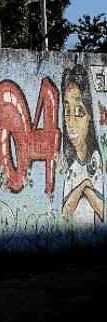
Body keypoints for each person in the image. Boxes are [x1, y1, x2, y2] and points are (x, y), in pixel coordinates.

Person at [61, 65, 105, 228]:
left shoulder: (95, 161)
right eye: (67, 111)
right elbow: (65, 213)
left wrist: (84, 189)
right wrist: (84, 185)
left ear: (89, 118)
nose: (70, 122)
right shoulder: (71, 168)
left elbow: (101, 209)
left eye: (79, 112)